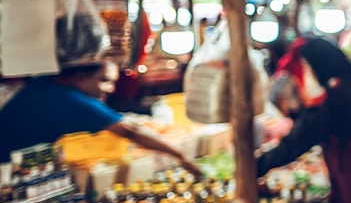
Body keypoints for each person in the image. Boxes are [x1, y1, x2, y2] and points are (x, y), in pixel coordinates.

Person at [256, 37, 351, 203]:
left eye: (308, 67)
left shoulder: (331, 101)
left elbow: (297, 142)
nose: (307, 73)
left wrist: (257, 165)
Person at [0, 63, 201, 175]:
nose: (110, 89)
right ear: (80, 76)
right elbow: (132, 131)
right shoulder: (76, 102)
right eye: (103, 80)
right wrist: (180, 155)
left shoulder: (46, 81)